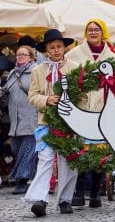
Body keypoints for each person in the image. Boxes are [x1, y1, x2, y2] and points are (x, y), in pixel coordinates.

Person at [65, 19, 115, 208]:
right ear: (85, 32)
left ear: (103, 32)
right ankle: (79, 192)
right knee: (81, 151)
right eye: (90, 29)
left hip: (103, 109)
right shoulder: (74, 54)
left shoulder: (111, 55)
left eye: (97, 29)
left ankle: (95, 193)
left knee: (99, 152)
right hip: (82, 107)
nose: (93, 32)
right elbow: (67, 77)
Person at [24, 29, 78, 217]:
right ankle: (40, 199)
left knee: (68, 161)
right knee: (45, 159)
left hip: (68, 123)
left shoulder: (74, 67)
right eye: (52, 47)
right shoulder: (38, 70)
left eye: (59, 47)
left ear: (64, 48)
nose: (56, 50)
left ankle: (65, 200)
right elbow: (32, 96)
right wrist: (46, 99)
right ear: (46, 50)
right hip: (46, 122)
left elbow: (83, 94)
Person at [4, 44, 38, 195]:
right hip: (15, 120)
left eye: (24, 54)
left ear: (31, 57)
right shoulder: (12, 73)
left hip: (31, 117)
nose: (20, 57)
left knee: (27, 150)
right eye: (18, 55)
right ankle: (34, 176)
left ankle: (22, 181)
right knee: (16, 149)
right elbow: (8, 95)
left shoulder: (35, 72)